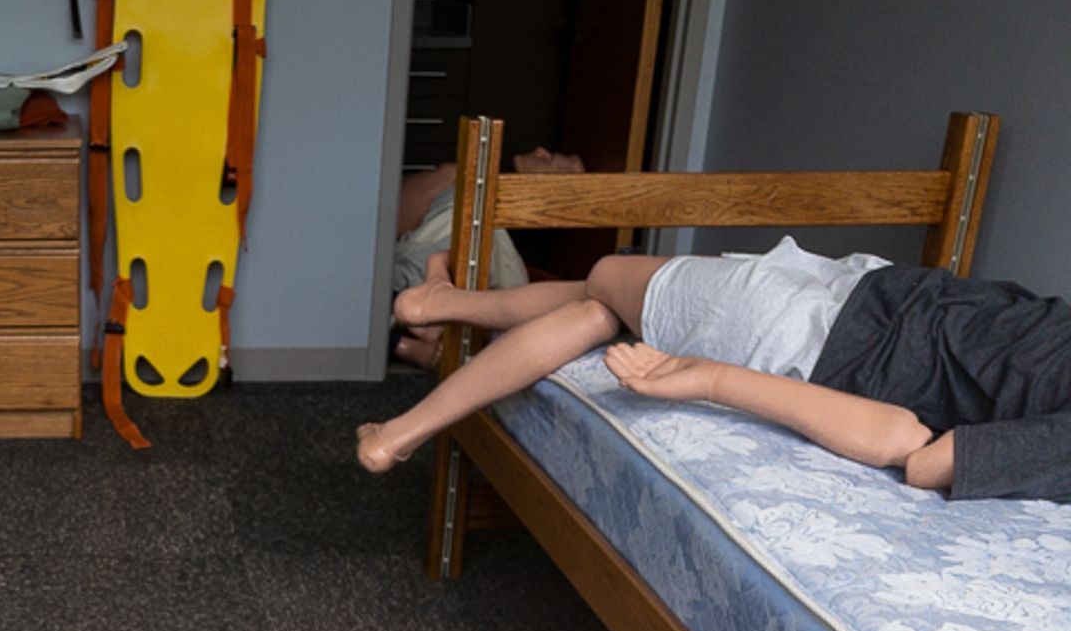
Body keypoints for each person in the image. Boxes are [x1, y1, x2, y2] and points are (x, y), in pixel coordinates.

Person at [356, 238, 1071, 504]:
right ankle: (437, 307)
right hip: (865, 300)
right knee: (607, 301)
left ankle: (402, 423)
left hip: (827, 340)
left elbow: (928, 459)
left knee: (605, 287)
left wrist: (710, 377)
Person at [390, 147, 584, 368]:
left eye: (563, 161)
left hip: (426, 272)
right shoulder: (458, 181)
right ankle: (403, 333)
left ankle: (404, 330)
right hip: (420, 255)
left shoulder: (507, 260)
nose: (541, 152)